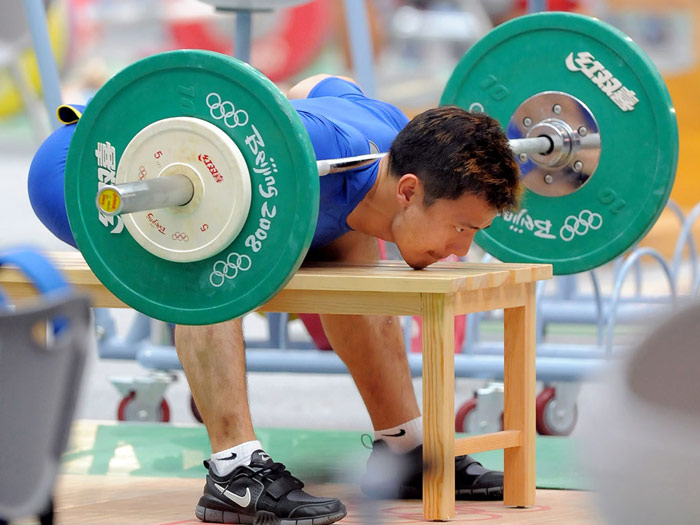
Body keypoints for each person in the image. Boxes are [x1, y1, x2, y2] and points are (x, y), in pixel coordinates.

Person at [174, 74, 522, 524]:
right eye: (460, 227)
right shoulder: (315, 146)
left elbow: (318, 85)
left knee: (355, 236)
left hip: (303, 192)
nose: (461, 250)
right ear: (410, 191)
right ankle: (234, 472)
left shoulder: (395, 136)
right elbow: (187, 120)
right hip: (95, 178)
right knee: (213, 266)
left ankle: (405, 451)